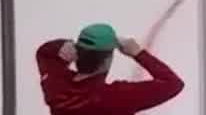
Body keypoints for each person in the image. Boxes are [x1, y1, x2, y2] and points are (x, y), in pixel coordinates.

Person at [36, 23, 184, 115]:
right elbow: (173, 84)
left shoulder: (56, 87)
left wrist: (64, 45)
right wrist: (138, 53)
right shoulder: (116, 97)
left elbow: (45, 53)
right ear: (107, 60)